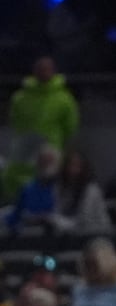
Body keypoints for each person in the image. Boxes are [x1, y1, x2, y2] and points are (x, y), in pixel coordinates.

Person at [4, 55, 79, 200]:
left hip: (51, 152)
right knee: (17, 185)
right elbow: (14, 121)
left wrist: (56, 145)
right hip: (25, 151)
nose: (43, 72)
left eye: (47, 69)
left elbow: (70, 127)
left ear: (53, 71)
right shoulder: (19, 98)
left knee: (49, 191)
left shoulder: (64, 98)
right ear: (34, 71)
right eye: (40, 69)